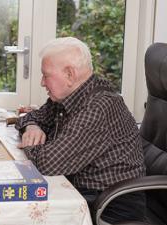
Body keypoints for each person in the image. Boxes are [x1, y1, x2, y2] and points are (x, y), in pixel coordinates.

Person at [15, 37, 146, 223]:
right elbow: (32, 117)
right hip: (80, 189)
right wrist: (32, 127)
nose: (42, 83)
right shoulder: (68, 96)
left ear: (70, 74)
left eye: (46, 75)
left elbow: (48, 163)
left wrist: (29, 143)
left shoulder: (100, 106)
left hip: (110, 204)